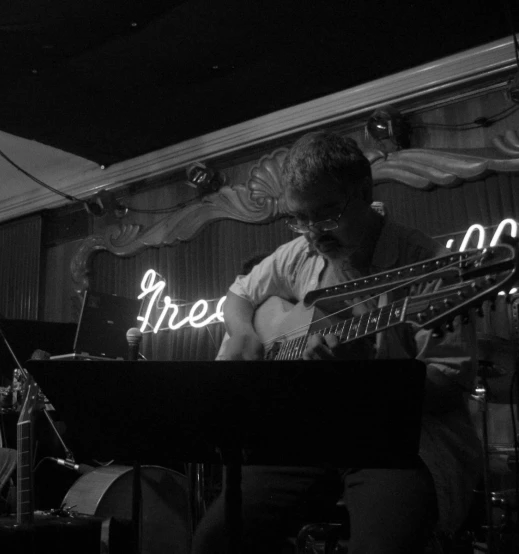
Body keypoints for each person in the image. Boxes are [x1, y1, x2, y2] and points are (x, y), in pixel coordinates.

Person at [194, 131, 482, 553]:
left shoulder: (431, 269)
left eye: (327, 215)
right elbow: (239, 294)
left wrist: (367, 377)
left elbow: (448, 384)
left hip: (400, 440)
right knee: (215, 541)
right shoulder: (301, 253)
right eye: (299, 218)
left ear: (364, 193)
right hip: (311, 431)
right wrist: (243, 332)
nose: (312, 233)